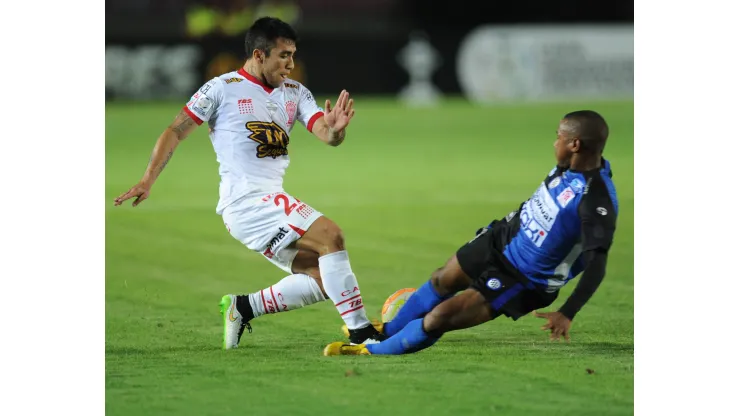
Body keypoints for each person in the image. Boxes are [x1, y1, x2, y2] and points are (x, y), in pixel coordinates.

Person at [113, 16, 385, 349]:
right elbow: (175, 130)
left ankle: (243, 307)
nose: (291, 64)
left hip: (267, 200)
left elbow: (325, 134)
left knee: (325, 277)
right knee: (332, 236)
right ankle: (361, 332)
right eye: (283, 55)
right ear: (259, 55)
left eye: (293, 55)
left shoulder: (295, 92)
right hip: (246, 201)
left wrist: (336, 129)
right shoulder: (221, 88)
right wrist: (147, 179)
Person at [325, 110, 618, 356]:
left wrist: (568, 311)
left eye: (559, 138)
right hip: (503, 238)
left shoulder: (596, 199)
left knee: (439, 319)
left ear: (575, 144)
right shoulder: (567, 167)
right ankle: (384, 332)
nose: (555, 143)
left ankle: (371, 351)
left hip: (523, 278)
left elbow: (598, 262)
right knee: (442, 278)